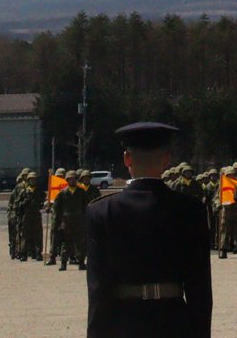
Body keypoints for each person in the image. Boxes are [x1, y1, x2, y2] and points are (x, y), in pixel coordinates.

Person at [85, 122, 211, 338]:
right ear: (166, 159)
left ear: (127, 159)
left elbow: (99, 291)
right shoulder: (190, 209)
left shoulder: (101, 211)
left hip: (123, 323)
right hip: (175, 322)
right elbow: (200, 289)